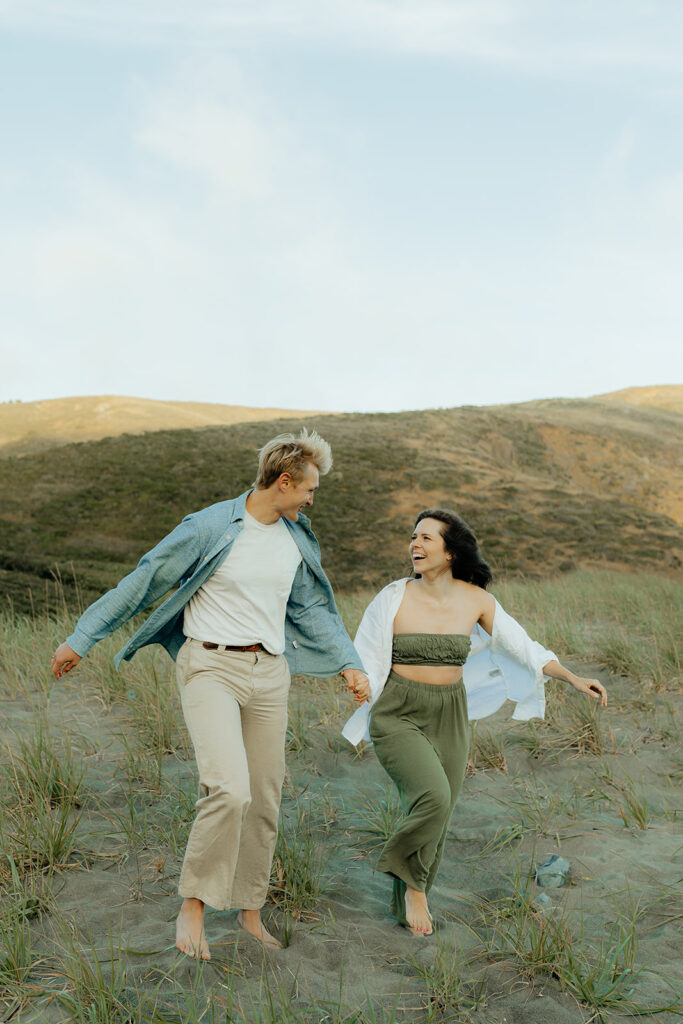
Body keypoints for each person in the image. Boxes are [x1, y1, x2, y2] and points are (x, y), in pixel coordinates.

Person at [51, 428, 369, 960]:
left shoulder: (297, 537)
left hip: (269, 673)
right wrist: (82, 637)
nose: (314, 499)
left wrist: (349, 666)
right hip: (210, 665)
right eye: (310, 489)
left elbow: (314, 610)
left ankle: (248, 910)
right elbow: (146, 578)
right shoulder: (212, 525)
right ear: (284, 481)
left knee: (264, 798)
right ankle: (194, 906)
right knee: (229, 789)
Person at [342, 509, 607, 938]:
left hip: (450, 712)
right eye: (413, 537)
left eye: (427, 538)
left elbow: (524, 647)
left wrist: (573, 678)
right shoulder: (392, 596)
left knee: (438, 812)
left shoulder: (476, 600)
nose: (416, 545)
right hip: (398, 711)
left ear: (450, 552)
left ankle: (412, 892)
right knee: (433, 796)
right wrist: (356, 681)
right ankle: (409, 882)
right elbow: (362, 654)